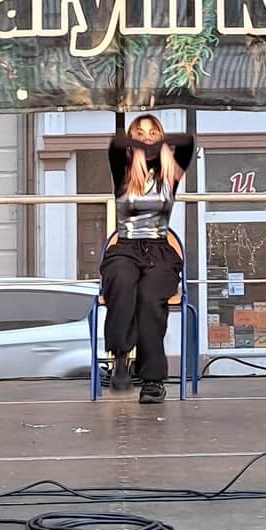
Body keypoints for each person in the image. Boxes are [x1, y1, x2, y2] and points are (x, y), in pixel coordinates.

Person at [100, 114, 195, 404]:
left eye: (153, 132)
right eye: (139, 133)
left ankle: (153, 380)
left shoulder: (170, 173)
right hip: (125, 247)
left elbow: (187, 142)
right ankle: (120, 357)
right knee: (121, 280)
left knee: (149, 298)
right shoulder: (124, 170)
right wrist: (140, 147)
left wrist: (159, 146)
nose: (146, 137)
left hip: (160, 251)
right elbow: (116, 144)